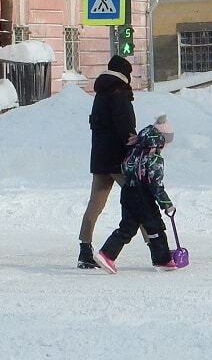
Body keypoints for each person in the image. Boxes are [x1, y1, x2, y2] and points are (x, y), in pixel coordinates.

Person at [94, 115, 178, 273]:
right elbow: (156, 185)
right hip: (143, 196)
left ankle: (106, 254)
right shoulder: (154, 159)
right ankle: (163, 260)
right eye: (166, 142)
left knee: (128, 226)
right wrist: (167, 204)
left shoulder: (134, 150)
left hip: (128, 192)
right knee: (155, 227)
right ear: (160, 140)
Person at [77, 55, 137, 269]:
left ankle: (85, 248)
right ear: (125, 74)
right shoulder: (119, 93)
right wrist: (134, 145)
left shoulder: (101, 93)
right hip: (119, 160)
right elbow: (125, 127)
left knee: (95, 204)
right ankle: (157, 245)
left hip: (100, 158)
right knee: (139, 200)